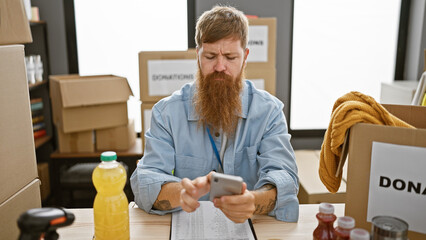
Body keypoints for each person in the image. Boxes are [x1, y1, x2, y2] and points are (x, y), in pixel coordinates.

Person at [130, 5, 299, 223]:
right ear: (197, 54)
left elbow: (285, 176)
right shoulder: (167, 113)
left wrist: (253, 202)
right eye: (210, 56)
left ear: (245, 57)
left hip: (251, 227)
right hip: (188, 226)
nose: (220, 66)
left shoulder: (269, 112)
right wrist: (181, 194)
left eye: (230, 57)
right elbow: (145, 180)